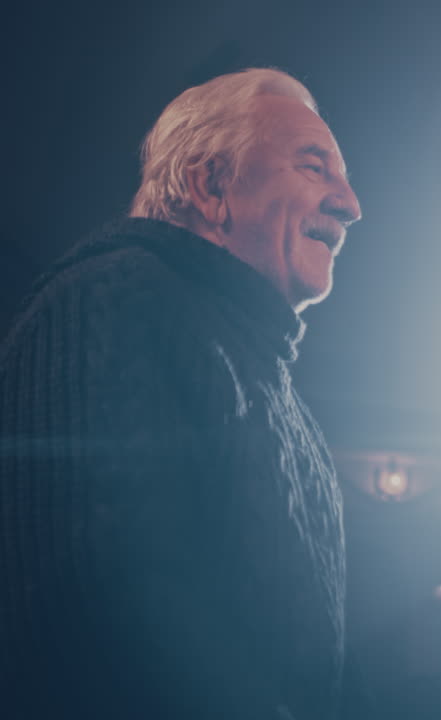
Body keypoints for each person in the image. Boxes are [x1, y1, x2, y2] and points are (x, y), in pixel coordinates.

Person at [0, 68, 361, 719]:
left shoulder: (277, 390)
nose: (351, 204)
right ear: (211, 185)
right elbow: (107, 616)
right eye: (315, 168)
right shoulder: (110, 299)